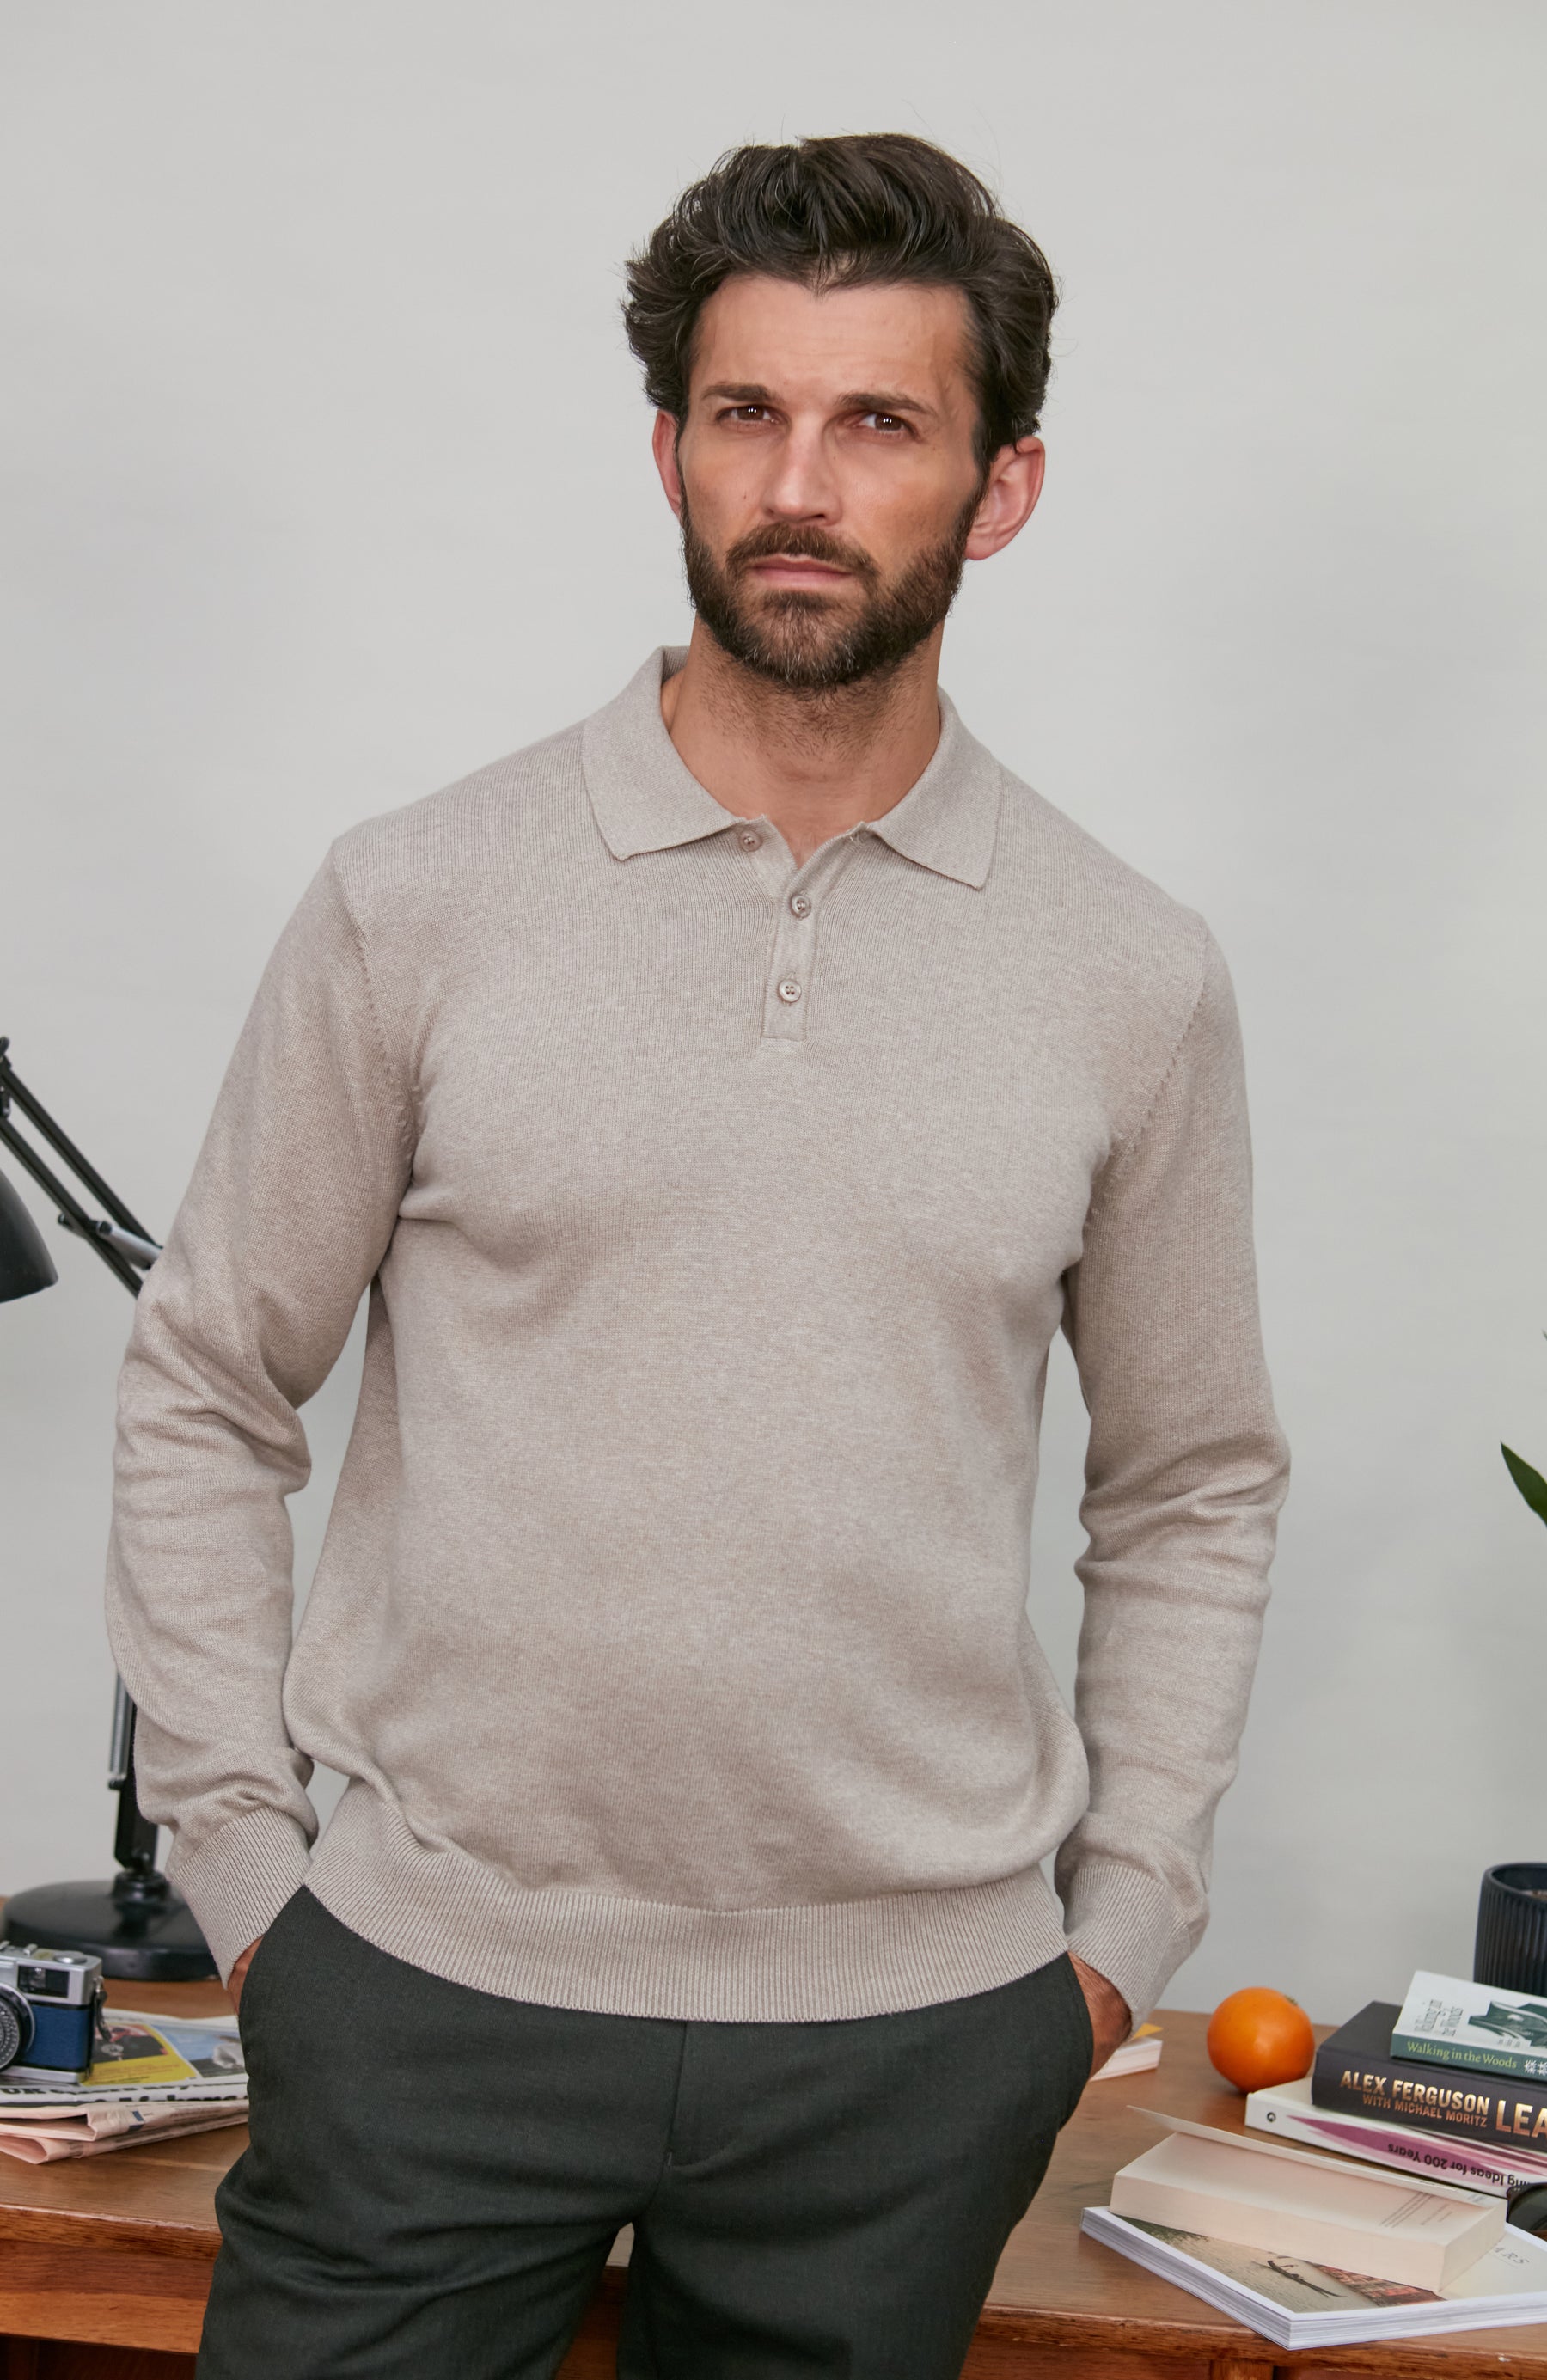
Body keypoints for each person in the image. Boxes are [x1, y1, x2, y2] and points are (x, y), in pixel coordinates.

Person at [107, 132, 1289, 2380]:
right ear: (668, 447)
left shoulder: (1131, 970)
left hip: (912, 2048)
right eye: (746, 413)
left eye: (879, 421)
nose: (799, 484)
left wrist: (1121, 1925)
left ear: (1002, 484)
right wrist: (256, 1882)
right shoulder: (418, 897)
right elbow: (203, 1382)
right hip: (427, 2002)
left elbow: (1195, 1472)